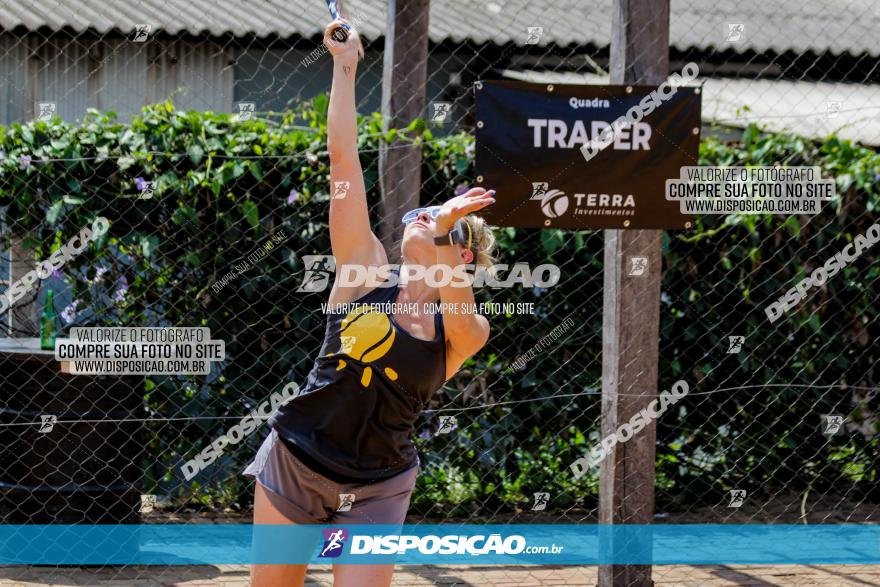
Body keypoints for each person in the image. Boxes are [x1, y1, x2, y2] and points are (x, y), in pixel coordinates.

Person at [244, 17, 497, 587]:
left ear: (459, 257)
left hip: (380, 484)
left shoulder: (464, 329)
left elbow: (458, 296)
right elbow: (343, 166)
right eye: (422, 216)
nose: (420, 219)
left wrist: (441, 236)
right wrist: (345, 65)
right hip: (298, 460)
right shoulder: (364, 273)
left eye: (434, 221)